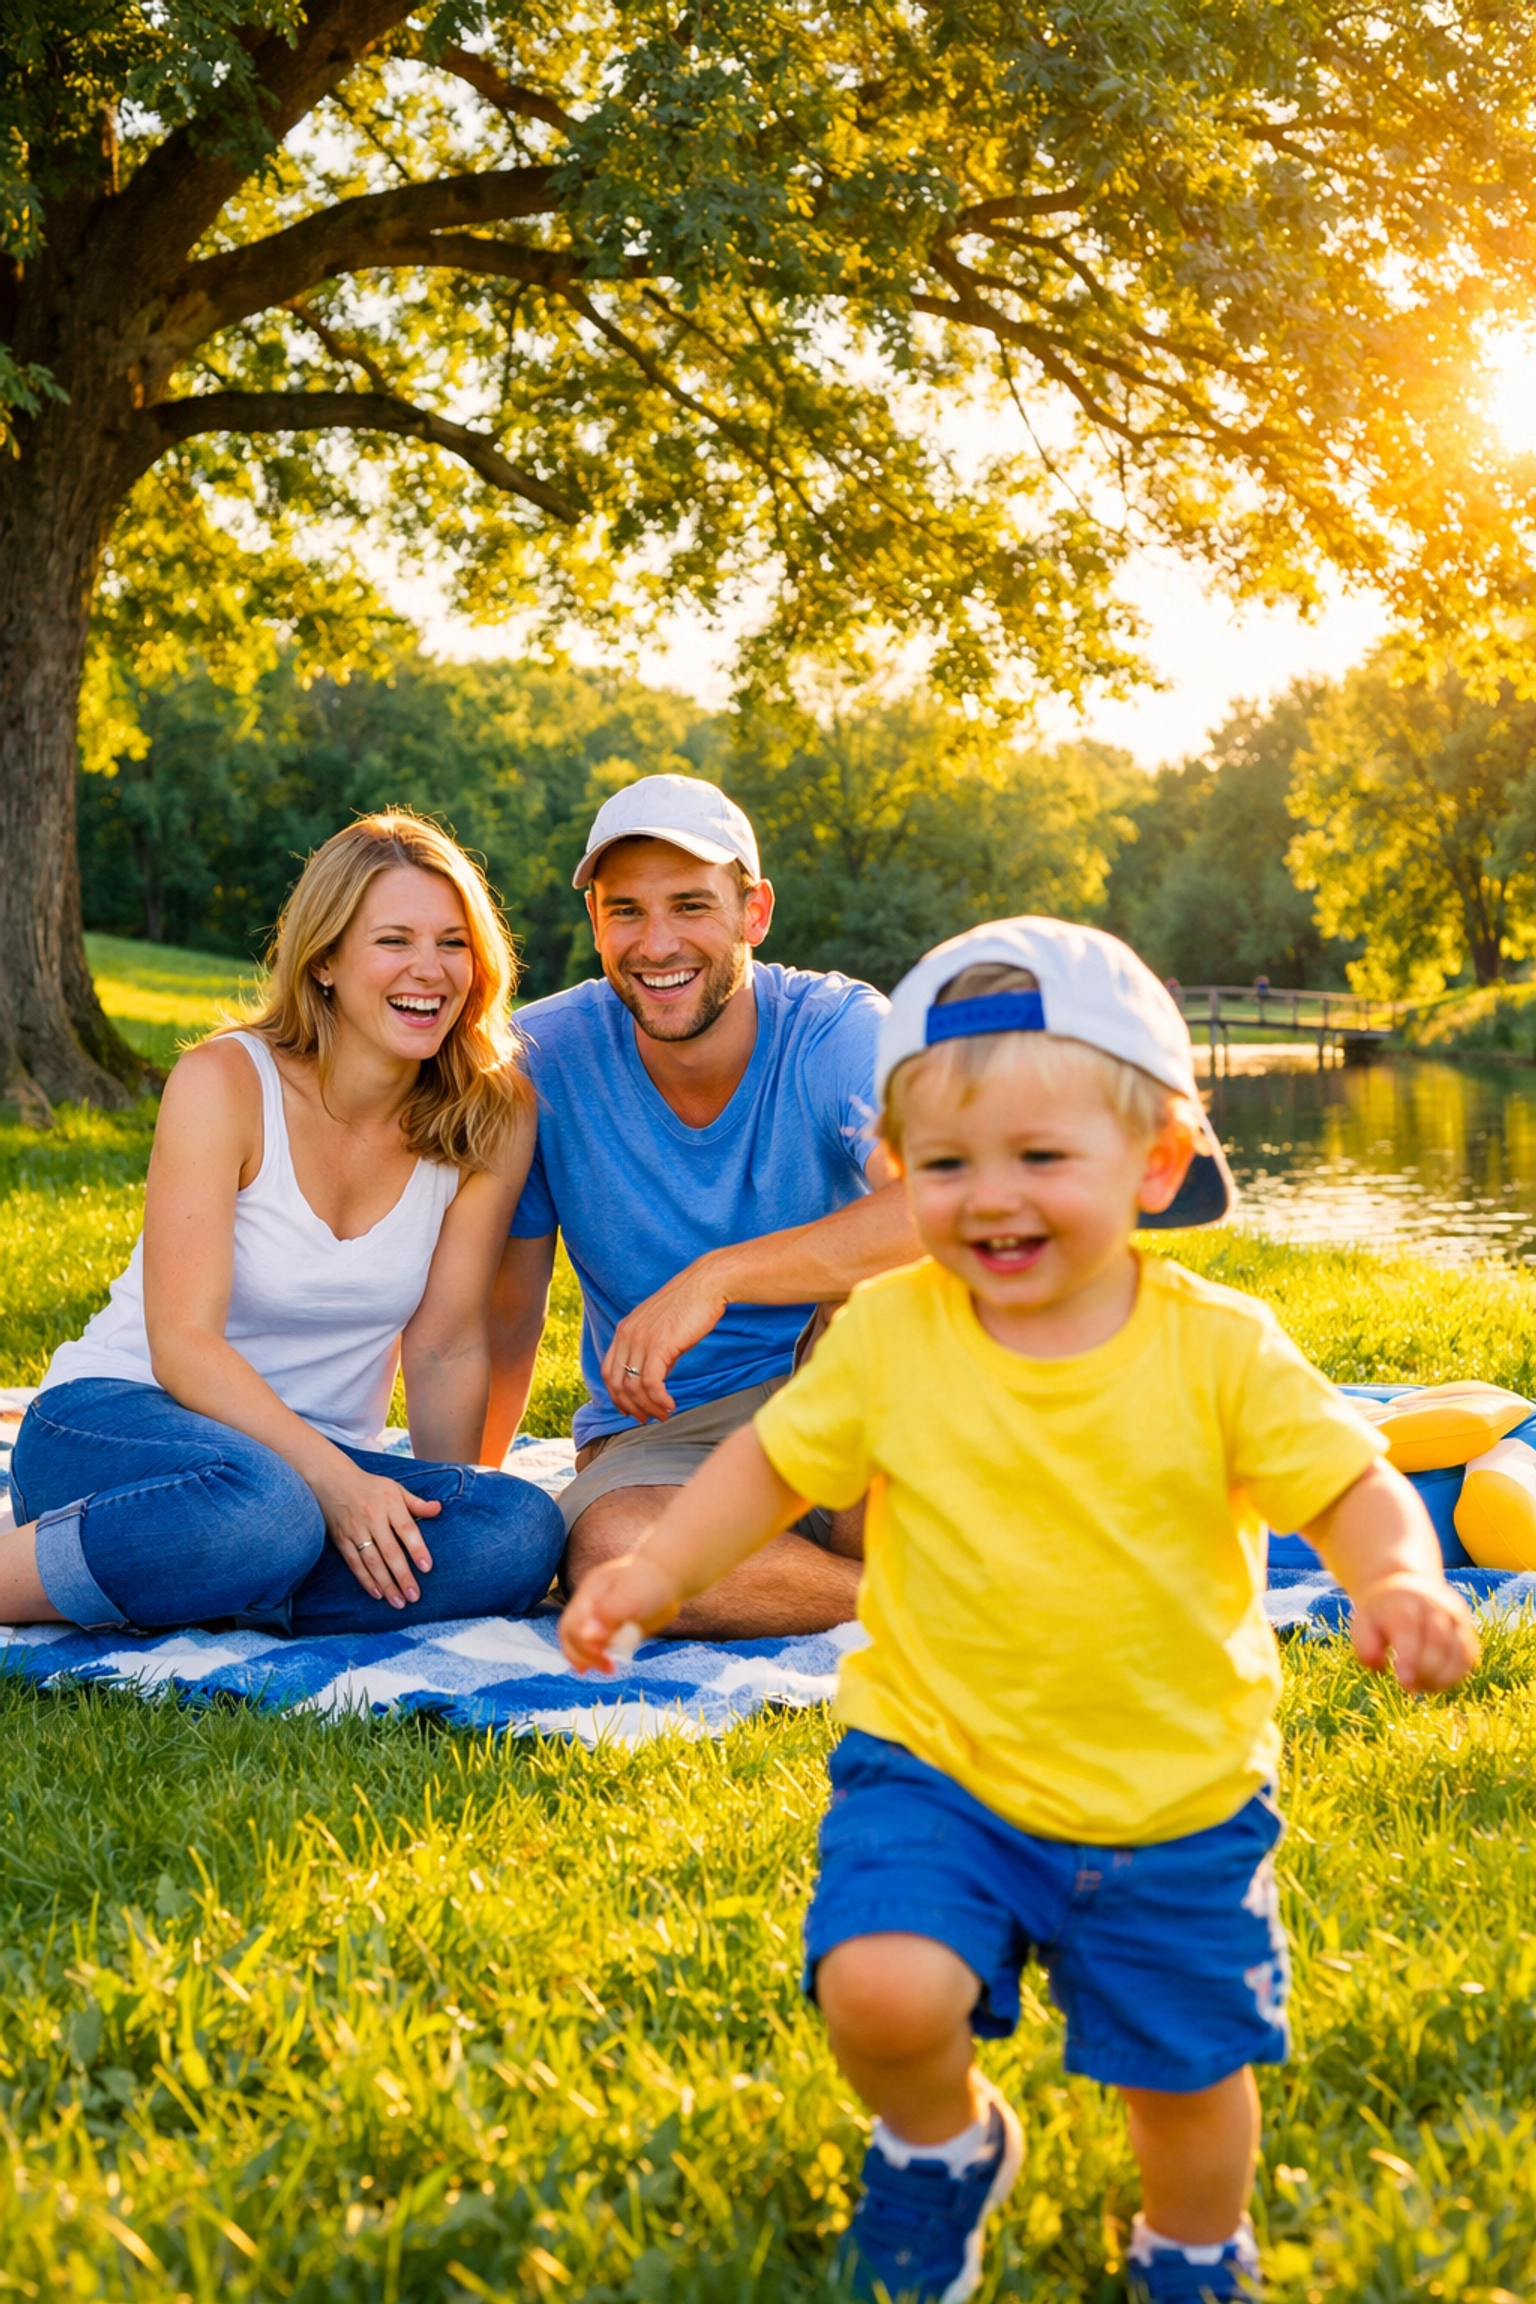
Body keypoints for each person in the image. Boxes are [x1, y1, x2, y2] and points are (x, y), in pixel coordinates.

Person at [559, 916, 1479, 2303]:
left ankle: (1190, 2246)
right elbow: (768, 1460)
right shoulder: (891, 1333)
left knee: (1186, 2085)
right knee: (878, 1989)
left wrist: (1398, 1574)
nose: (994, 1199)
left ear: (1157, 1163)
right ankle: (940, 2145)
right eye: (946, 1166)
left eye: (1043, 1160)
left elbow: (1351, 1483)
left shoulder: (1219, 1351)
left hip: (1171, 1794)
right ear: (894, 1173)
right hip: (938, 1766)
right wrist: (656, 1565)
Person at [1, 812, 565, 1635]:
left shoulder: (492, 1110)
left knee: (519, 1531)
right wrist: (334, 1484)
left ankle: (207, 1577)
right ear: (326, 960)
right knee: (269, 1513)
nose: (430, 970)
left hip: (302, 1472)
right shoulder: (224, 1081)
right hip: (120, 1424)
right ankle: (207, 1560)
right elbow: (185, 1345)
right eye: (393, 941)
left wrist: (449, 1509)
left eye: (453, 942)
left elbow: (446, 1342)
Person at [484, 773, 921, 1640]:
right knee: (612, 1554)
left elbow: (946, 1204)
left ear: (754, 913)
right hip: (661, 1439)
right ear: (596, 924)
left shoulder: (838, 1029)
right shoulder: (542, 1056)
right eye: (626, 911)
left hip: (838, 1397)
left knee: (894, 1301)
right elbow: (505, 1315)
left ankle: (835, 1566)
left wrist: (718, 1278)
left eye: (691, 906)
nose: (657, 943)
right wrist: (467, 1496)